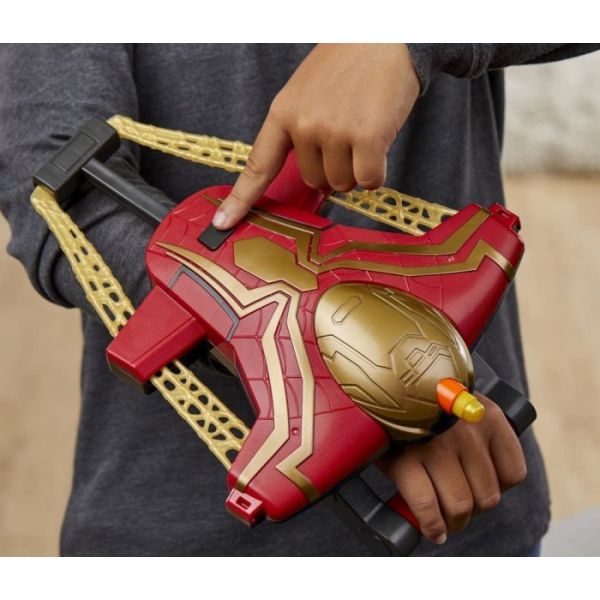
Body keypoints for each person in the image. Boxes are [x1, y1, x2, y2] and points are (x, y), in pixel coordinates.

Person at [0, 43, 596, 556]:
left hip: (472, 510)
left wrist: (400, 39)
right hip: (183, 543)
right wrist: (380, 398)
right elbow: (49, 176)